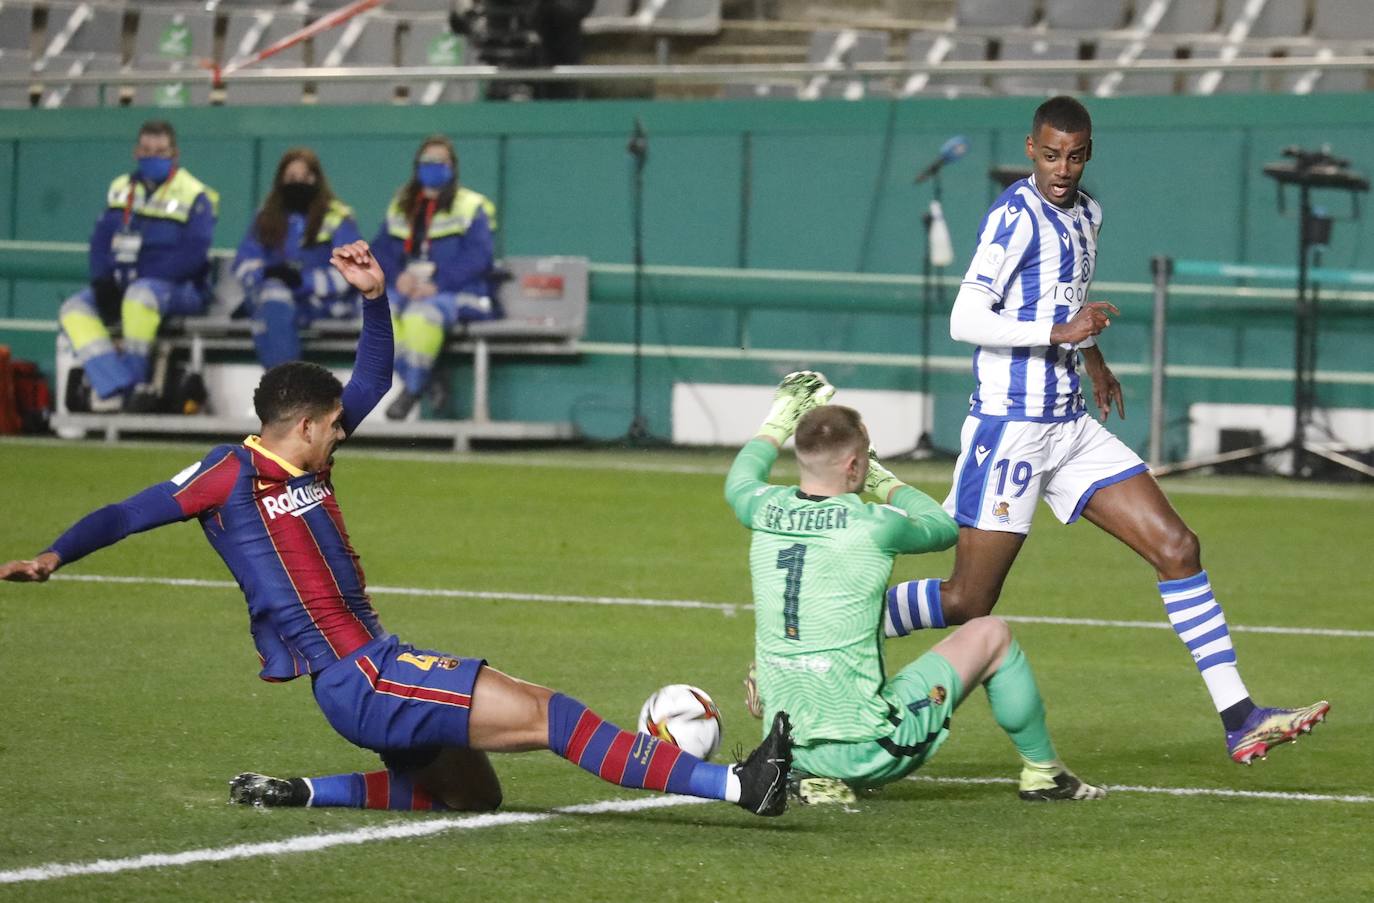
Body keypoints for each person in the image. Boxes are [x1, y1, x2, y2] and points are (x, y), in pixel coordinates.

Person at [1, 240, 792, 819]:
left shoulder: (308, 465)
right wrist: (53, 554)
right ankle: (738, 784)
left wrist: (374, 297)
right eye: (335, 424)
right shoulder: (228, 474)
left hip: (364, 671)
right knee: (554, 713)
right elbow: (126, 513)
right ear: (303, 424)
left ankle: (303, 791)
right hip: (360, 673)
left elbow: (373, 376)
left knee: (472, 793)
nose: (345, 431)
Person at [882, 96, 1328, 766]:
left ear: (1089, 152)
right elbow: (965, 318)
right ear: (1032, 148)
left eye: (1076, 154)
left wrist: (1092, 358)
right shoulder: (1014, 218)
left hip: (1069, 426)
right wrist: (1060, 333)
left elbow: (1068, 300)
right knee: (969, 597)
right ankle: (826, 632)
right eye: (1052, 153)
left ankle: (1240, 715)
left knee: (1178, 546)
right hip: (1010, 430)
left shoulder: (1089, 213)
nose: (1063, 167)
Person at [726, 372, 1105, 803]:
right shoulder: (873, 525)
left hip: (785, 744)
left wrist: (779, 418)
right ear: (853, 465)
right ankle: (1045, 774)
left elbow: (738, 480)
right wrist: (881, 479)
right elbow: (943, 528)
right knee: (992, 635)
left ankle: (809, 773)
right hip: (871, 748)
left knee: (819, 631)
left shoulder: (761, 507)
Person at [58, 119, 219, 412]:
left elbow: (192, 255)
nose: (152, 156)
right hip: (123, 283)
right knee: (74, 309)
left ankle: (136, 385)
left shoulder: (196, 195)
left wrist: (135, 280)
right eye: (146, 150)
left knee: (139, 296)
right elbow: (100, 242)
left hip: (179, 290)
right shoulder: (120, 188)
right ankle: (117, 386)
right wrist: (103, 281)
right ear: (136, 153)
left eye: (160, 150)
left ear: (174, 154)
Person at [371, 135, 499, 421]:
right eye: (427, 161)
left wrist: (437, 284)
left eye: (441, 161)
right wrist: (397, 276)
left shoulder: (471, 205)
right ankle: (429, 378)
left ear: (453, 167)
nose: (433, 167)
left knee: (422, 316)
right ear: (417, 166)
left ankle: (411, 390)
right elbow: (380, 250)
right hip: (407, 287)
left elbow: (479, 257)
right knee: (378, 314)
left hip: (459, 291)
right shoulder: (400, 206)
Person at [232, 148, 363, 369]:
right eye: (292, 177)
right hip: (274, 299)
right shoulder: (265, 218)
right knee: (273, 299)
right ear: (280, 180)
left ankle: (285, 386)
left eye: (306, 177)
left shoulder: (337, 217)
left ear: (317, 179)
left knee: (272, 307)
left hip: (322, 304)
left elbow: (352, 271)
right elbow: (243, 263)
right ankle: (287, 385)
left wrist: (303, 282)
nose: (298, 183)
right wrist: (267, 273)